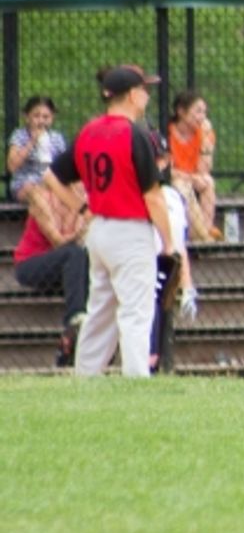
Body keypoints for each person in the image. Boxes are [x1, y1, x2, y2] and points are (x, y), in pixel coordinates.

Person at [45, 65, 174, 378]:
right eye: (144, 90)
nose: (146, 95)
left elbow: (50, 176)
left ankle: (86, 376)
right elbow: (154, 197)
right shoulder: (134, 134)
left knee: (101, 310)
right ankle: (136, 379)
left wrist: (81, 207)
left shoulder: (89, 131)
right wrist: (168, 241)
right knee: (135, 311)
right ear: (131, 95)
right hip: (129, 232)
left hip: (100, 230)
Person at [13, 182, 89, 366]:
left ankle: (72, 342)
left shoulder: (82, 200)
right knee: (75, 253)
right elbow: (58, 240)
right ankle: (75, 317)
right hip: (31, 264)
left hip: (65, 267)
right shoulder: (41, 198)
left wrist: (78, 211)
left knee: (85, 257)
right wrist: (79, 219)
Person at [147, 131, 199, 371]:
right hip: (130, 262)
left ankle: (153, 360)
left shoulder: (170, 197)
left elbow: (178, 247)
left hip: (159, 263)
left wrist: (187, 285)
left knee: (156, 290)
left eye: (157, 158)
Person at [7, 96, 75, 239]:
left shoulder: (56, 138)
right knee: (36, 192)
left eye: (46, 116)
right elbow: (12, 166)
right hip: (26, 183)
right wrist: (32, 141)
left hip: (51, 183)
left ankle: (68, 233)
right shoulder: (20, 136)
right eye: (36, 116)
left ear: (52, 118)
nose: (41, 120)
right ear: (27, 117)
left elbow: (65, 165)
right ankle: (55, 236)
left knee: (72, 191)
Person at [168, 89, 221, 241]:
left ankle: (206, 228)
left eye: (204, 112)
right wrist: (190, 178)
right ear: (181, 112)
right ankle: (202, 236)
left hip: (192, 176)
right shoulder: (167, 133)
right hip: (174, 179)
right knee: (182, 187)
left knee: (208, 182)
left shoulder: (204, 133)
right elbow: (167, 170)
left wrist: (205, 141)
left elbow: (203, 170)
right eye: (198, 112)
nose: (202, 117)